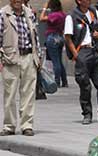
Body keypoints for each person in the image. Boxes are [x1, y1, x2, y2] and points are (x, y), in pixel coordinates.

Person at [64, 0, 98, 125]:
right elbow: (68, 38)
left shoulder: (93, 11)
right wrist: (76, 55)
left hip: (96, 50)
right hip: (82, 52)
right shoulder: (71, 16)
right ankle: (87, 113)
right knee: (85, 86)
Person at [1, 0, 41, 137]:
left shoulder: (29, 13)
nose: (17, 0)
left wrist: (38, 55)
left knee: (28, 93)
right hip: (10, 58)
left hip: (29, 56)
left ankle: (27, 125)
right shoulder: (3, 14)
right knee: (10, 94)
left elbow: (35, 36)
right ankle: (9, 126)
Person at [39, 0, 66, 88]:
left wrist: (44, 8)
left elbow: (41, 18)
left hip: (52, 37)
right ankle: (64, 80)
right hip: (60, 36)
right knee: (59, 60)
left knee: (55, 61)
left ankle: (57, 81)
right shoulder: (62, 14)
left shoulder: (54, 15)